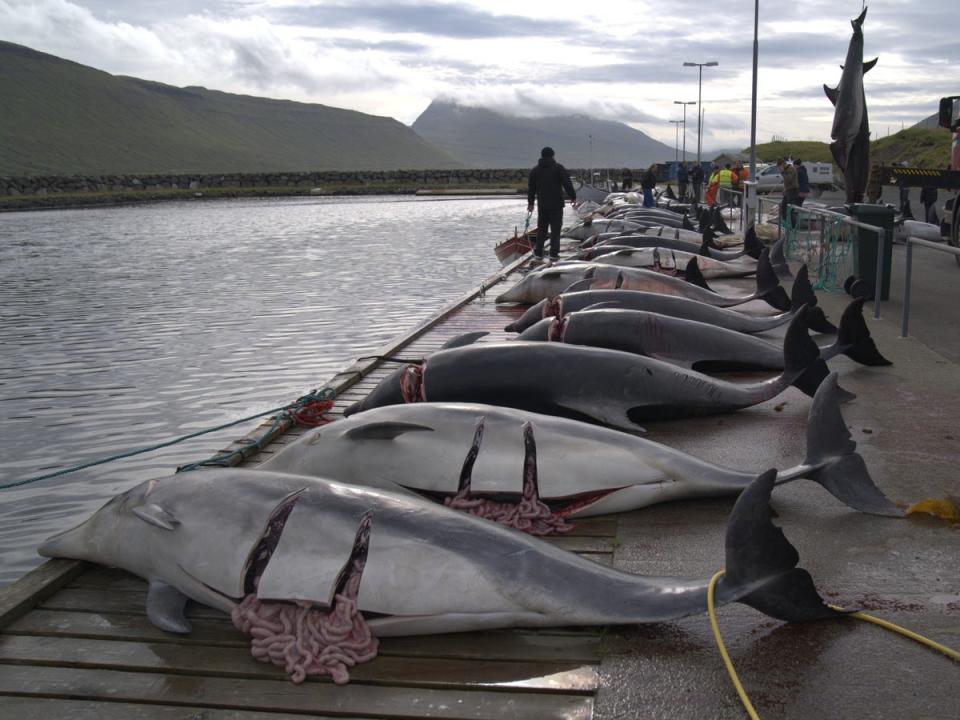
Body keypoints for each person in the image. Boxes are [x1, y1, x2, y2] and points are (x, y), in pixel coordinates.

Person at [527, 146, 576, 263]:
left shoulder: (535, 170)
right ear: (553, 155)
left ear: (542, 156)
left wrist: (531, 203)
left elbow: (531, 189)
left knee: (542, 230)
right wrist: (573, 196)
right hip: (556, 205)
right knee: (555, 230)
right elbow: (567, 183)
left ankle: (538, 253)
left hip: (542, 205)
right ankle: (554, 254)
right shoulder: (558, 168)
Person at [779, 158, 799, 228]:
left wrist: (782, 172)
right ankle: (786, 224)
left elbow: (789, 179)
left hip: (793, 190)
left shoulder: (791, 169)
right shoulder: (787, 169)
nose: (779, 169)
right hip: (788, 190)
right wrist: (785, 189)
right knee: (783, 207)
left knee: (790, 209)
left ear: (782, 165)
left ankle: (793, 226)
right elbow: (786, 182)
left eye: (779, 167)